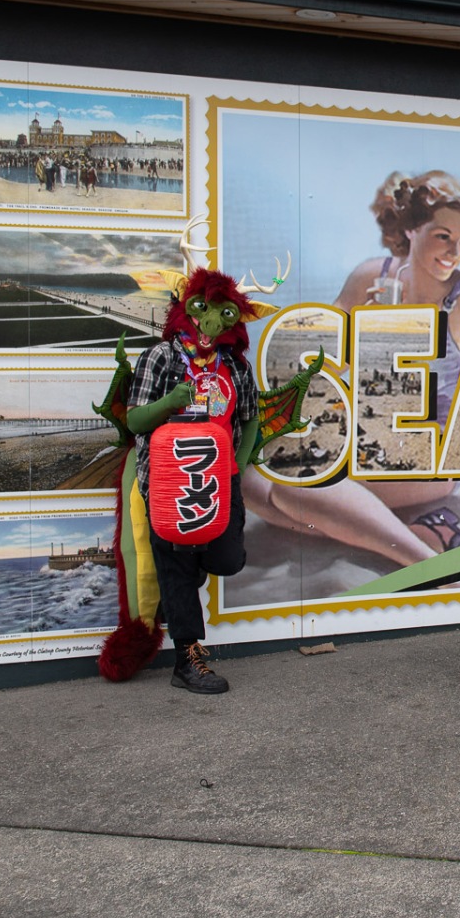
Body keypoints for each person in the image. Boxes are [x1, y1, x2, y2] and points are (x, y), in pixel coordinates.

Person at [244, 170, 460, 581]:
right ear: (411, 229)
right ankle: (422, 531)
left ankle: (429, 566)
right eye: (443, 236)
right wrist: (361, 330)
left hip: (433, 451)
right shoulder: (370, 277)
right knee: (252, 481)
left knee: (292, 488)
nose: (455, 252)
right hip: (371, 434)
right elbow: (323, 371)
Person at [127, 270, 260, 693]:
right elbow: (135, 420)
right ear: (186, 311)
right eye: (204, 309)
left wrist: (237, 464)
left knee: (228, 559)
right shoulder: (160, 357)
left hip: (220, 481)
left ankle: (186, 573)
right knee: (176, 565)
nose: (212, 323)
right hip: (170, 481)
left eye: (225, 313)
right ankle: (187, 661)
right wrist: (170, 402)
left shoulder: (234, 365)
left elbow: (251, 418)